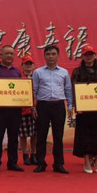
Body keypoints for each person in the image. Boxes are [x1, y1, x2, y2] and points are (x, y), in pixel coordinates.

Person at [71, 44, 97, 174]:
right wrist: (76, 106)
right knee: (85, 136)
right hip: (84, 111)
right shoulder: (77, 71)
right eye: (86, 55)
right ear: (82, 57)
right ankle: (87, 161)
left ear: (95, 56)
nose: (88, 57)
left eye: (91, 54)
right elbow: (74, 90)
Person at [32, 45, 73, 174]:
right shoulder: (38, 72)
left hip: (58, 106)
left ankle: (58, 164)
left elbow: (68, 90)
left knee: (58, 136)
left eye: (53, 54)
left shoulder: (64, 72)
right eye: (48, 54)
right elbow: (33, 91)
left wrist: (70, 106)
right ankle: (40, 163)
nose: (51, 57)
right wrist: (33, 107)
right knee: (41, 136)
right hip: (42, 106)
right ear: (44, 56)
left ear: (58, 56)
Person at [0, 45, 24, 172]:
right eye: (6, 53)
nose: (9, 56)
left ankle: (12, 162)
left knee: (13, 137)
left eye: (11, 54)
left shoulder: (17, 71)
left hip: (15, 109)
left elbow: (20, 89)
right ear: (1, 55)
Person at [18, 54, 37, 166]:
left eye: (30, 64)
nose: (28, 66)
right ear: (22, 65)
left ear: (33, 65)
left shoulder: (38, 76)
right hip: (22, 109)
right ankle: (25, 155)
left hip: (36, 109)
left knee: (35, 134)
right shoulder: (18, 77)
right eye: (26, 64)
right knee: (23, 134)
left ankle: (34, 154)